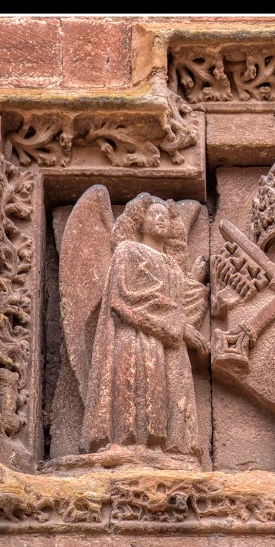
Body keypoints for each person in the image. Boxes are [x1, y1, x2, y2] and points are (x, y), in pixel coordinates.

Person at [79, 194, 207, 464]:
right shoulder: (128, 250)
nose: (160, 219)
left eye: (165, 216)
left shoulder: (172, 264)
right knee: (141, 386)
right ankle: (130, 444)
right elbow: (126, 295)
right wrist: (179, 326)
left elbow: (182, 302)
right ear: (140, 221)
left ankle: (171, 451)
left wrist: (196, 283)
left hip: (170, 342)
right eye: (153, 214)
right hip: (137, 335)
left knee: (173, 389)